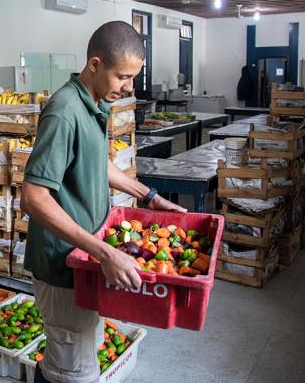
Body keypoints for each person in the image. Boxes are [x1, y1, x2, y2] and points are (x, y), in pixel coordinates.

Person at [21, 21, 187, 383]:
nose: (129, 87)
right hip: (62, 263)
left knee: (80, 350)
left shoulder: (94, 103)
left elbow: (98, 161)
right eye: (122, 77)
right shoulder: (64, 111)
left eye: (133, 78)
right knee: (72, 371)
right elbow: (33, 197)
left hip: (84, 260)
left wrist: (148, 195)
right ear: (95, 65)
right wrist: (105, 252)